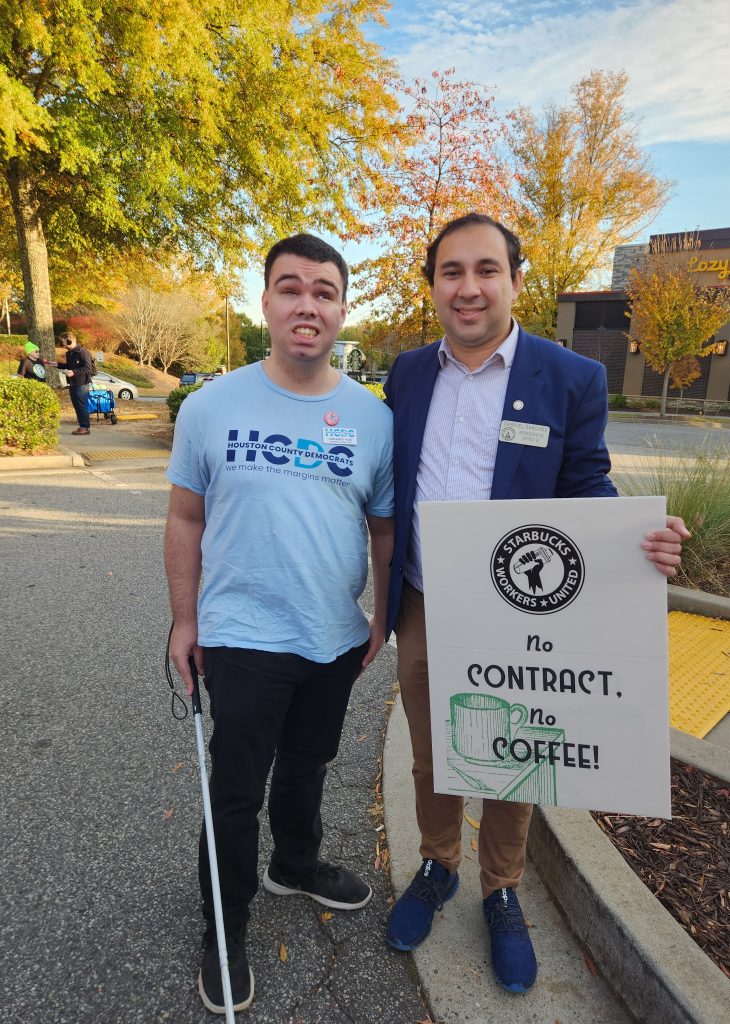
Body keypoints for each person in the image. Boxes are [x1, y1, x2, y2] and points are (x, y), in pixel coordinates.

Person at [383, 213, 691, 994]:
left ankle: (502, 887)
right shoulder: (408, 374)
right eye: (452, 271)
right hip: (423, 600)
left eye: (487, 269)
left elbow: (586, 485)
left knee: (514, 755)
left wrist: (639, 540)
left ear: (517, 281)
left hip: (518, 609)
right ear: (434, 286)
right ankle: (438, 864)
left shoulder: (570, 377)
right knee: (433, 750)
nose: (469, 287)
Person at [164, 234, 394, 1015]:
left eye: (324, 291)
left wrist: (381, 614)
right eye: (290, 287)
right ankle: (224, 929)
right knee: (235, 793)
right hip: (241, 638)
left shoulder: (371, 418)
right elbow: (185, 517)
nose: (307, 303)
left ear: (341, 310)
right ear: (265, 302)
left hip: (331, 637)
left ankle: (294, 864)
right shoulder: (211, 406)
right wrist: (184, 619)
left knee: (307, 765)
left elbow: (384, 527)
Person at [57, 332, 95, 434]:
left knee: (81, 406)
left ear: (69, 340)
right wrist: (56, 364)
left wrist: (73, 372)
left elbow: (88, 367)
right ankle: (82, 426)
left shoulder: (82, 352)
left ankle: (85, 428)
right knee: (77, 406)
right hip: (73, 383)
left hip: (81, 384)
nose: (62, 344)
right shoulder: (71, 353)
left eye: (63, 341)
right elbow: (69, 366)